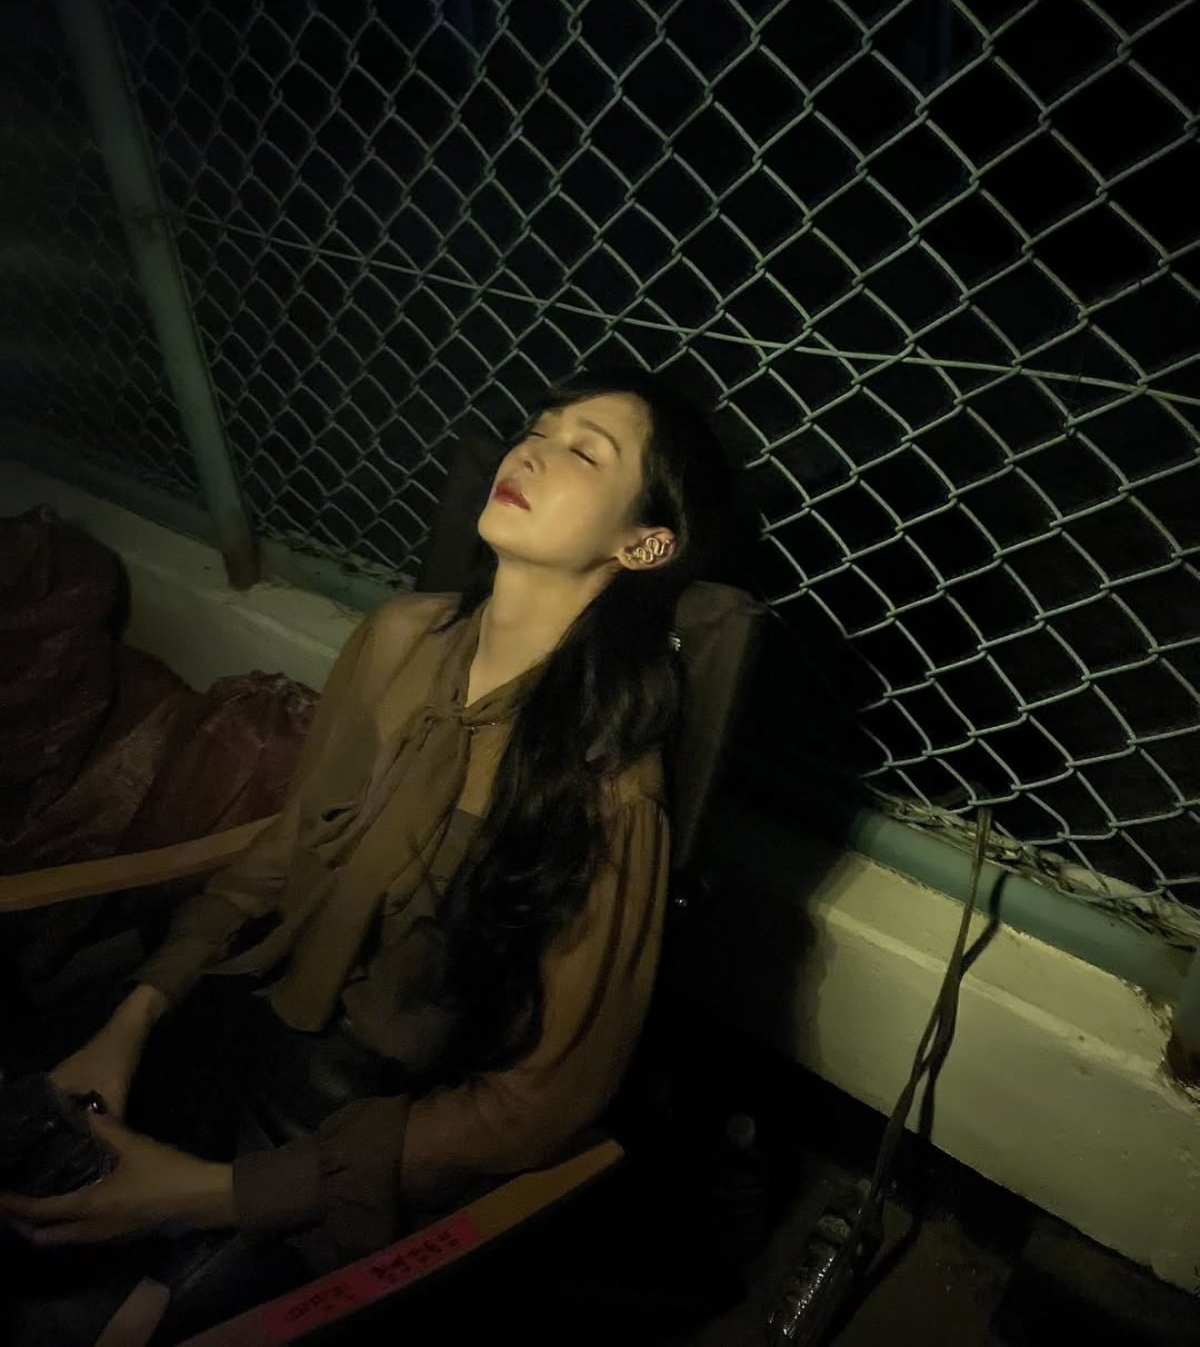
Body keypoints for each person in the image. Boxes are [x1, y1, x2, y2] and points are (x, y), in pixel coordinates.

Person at [0, 367, 738, 1340]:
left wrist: (209, 1193)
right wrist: (134, 1017)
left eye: (583, 452)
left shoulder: (607, 781)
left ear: (642, 544)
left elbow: (543, 1100)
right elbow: (287, 844)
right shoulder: (401, 637)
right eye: (537, 428)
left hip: (379, 1125)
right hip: (254, 1008)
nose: (531, 451)